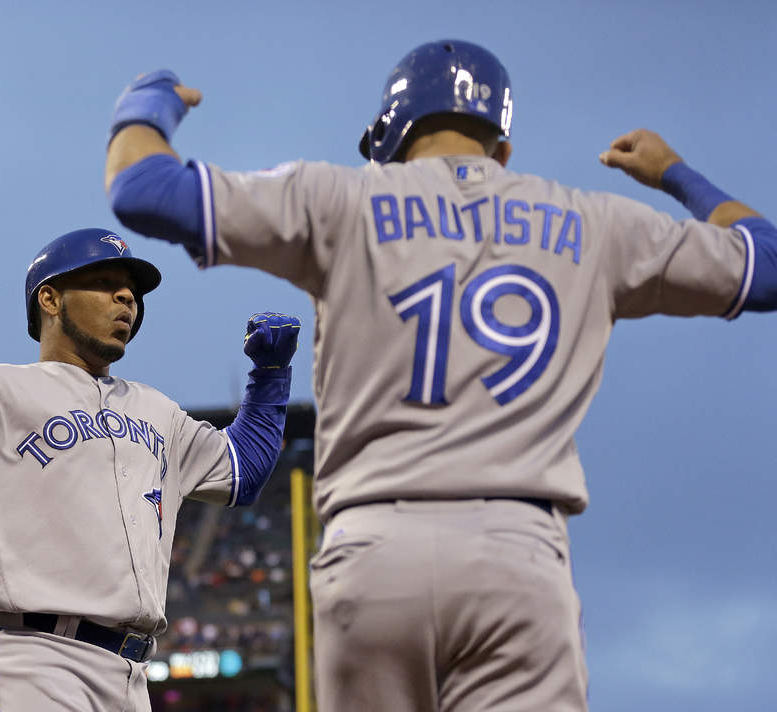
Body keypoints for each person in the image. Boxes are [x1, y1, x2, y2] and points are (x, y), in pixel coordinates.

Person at [102, 41, 777, 711]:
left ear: (393, 134)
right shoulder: (597, 224)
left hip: (372, 551)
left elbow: (142, 189)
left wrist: (151, 97)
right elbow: (766, 264)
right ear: (502, 150)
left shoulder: (341, 199)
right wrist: (674, 174)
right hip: (519, 552)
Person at [0, 228, 300, 711]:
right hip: (29, 662)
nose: (126, 297)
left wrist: (269, 376)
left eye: (132, 291)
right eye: (103, 282)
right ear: (50, 299)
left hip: (128, 675)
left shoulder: (158, 411)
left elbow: (243, 471)